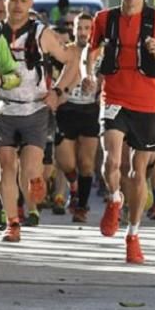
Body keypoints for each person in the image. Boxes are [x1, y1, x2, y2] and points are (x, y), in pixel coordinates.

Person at [84, 0, 155, 264]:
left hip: (147, 103)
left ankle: (133, 235)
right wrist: (88, 74)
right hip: (113, 97)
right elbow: (91, 51)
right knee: (112, 159)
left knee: (137, 173)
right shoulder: (105, 18)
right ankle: (114, 199)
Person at [0, 0, 76, 243]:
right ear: (4, 1)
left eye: (22, 0)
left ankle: (36, 185)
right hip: (3, 109)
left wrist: (58, 92)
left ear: (31, 4)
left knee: (29, 173)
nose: (16, 5)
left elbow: (71, 61)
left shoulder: (42, 34)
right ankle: (12, 223)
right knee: (5, 168)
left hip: (34, 110)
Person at [54, 13, 99, 224]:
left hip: (91, 110)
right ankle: (73, 187)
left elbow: (107, 78)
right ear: (74, 30)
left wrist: (97, 86)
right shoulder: (67, 51)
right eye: (79, 28)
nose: (83, 32)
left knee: (86, 163)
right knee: (67, 162)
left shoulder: (101, 52)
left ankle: (81, 207)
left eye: (87, 28)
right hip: (67, 109)